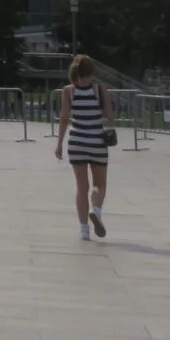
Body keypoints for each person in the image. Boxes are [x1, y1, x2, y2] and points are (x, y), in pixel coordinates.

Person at [55, 53, 114, 239]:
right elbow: (110, 117)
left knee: (81, 187)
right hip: (97, 142)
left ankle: (83, 230)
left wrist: (59, 145)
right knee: (99, 185)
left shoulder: (68, 91)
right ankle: (95, 210)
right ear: (92, 72)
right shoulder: (99, 89)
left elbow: (64, 119)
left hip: (76, 142)